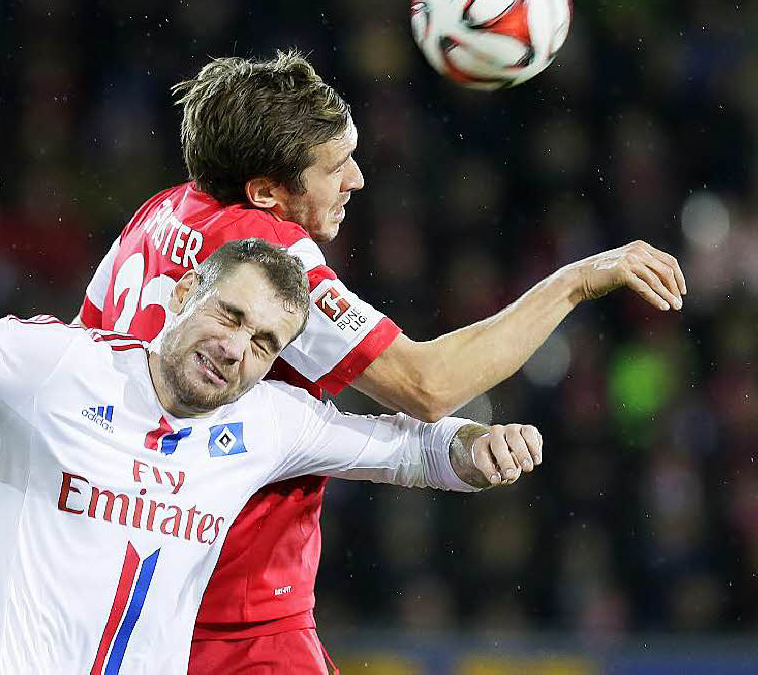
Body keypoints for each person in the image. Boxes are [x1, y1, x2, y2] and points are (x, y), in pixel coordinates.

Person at [76, 50, 687, 672]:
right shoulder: (263, 256)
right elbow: (428, 384)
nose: (357, 180)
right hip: (238, 622)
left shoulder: (157, 214)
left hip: (125, 599)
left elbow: (82, 363)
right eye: (335, 167)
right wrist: (577, 282)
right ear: (264, 192)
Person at [0, 226, 542, 674]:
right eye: (230, 314)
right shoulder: (58, 368)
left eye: (264, 343)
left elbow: (406, 448)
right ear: (184, 290)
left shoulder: (266, 422)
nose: (236, 350)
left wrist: (478, 447)